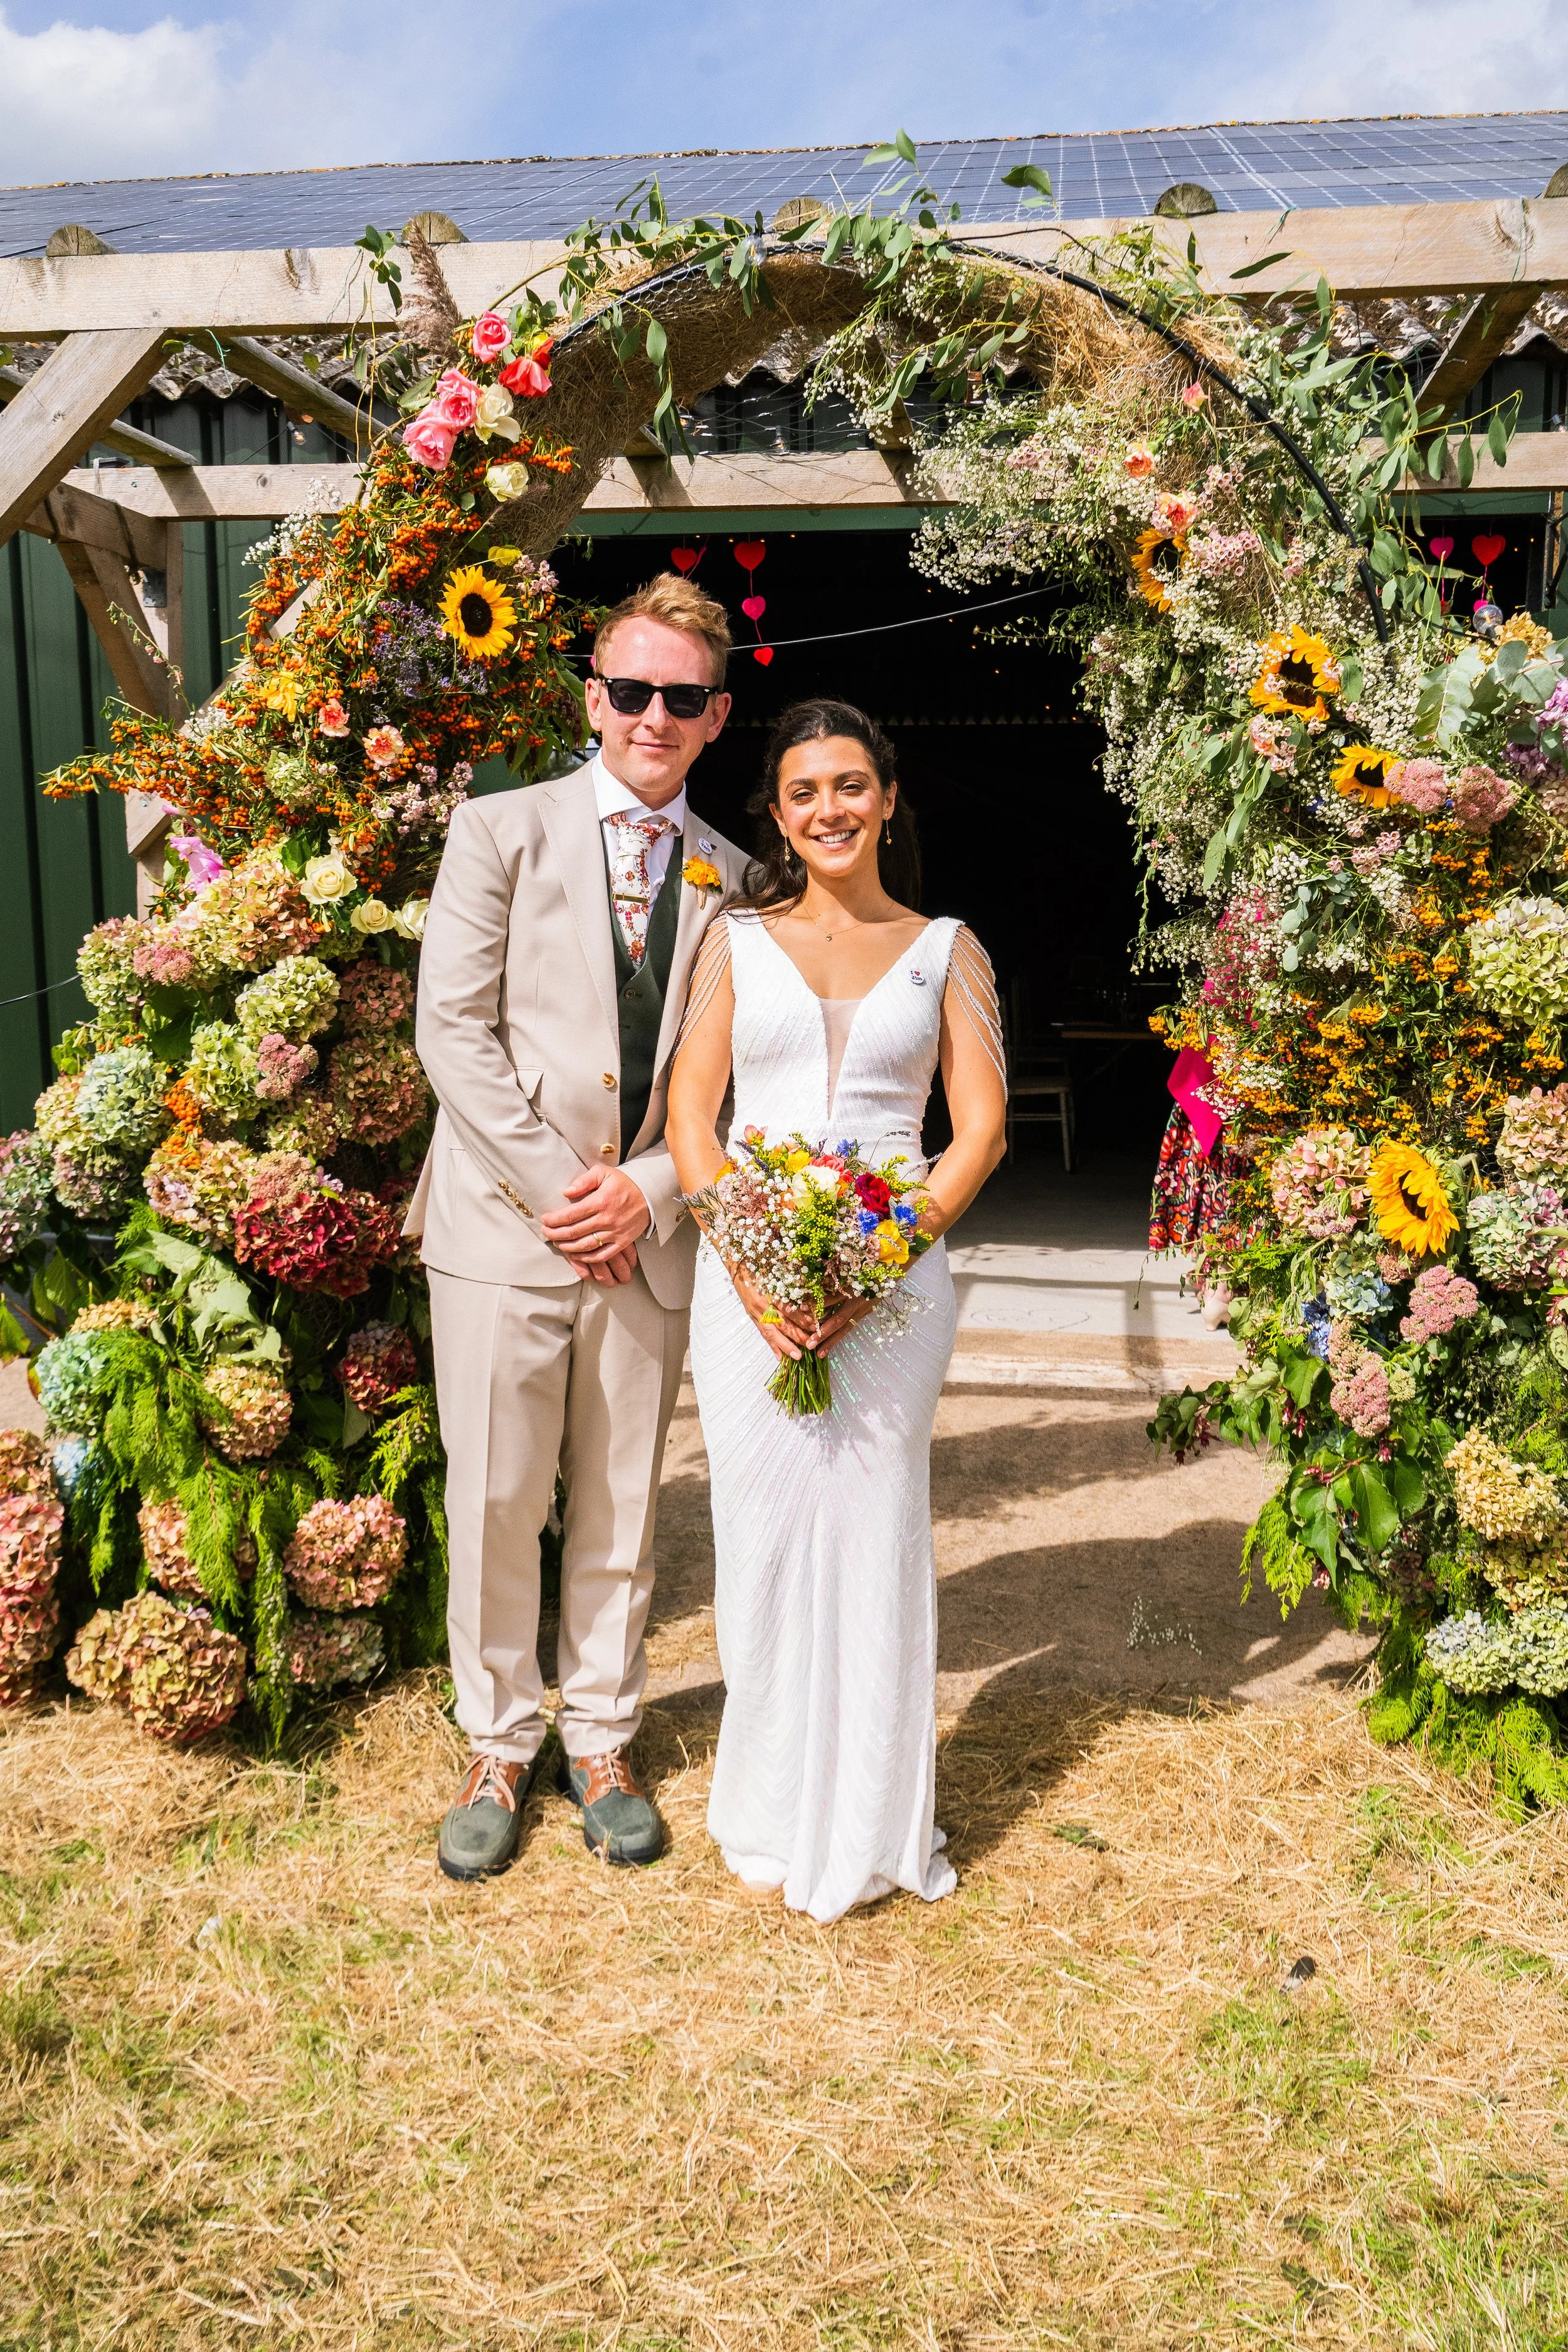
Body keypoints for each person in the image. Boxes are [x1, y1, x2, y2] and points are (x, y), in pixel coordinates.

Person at [408, 573, 750, 1881]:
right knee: (496, 1497)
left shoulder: (735, 872)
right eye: (629, 691)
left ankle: (602, 1737)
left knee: (620, 1504)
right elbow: (453, 1028)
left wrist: (652, 1190)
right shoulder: (498, 831)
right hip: (504, 1231)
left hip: (645, 1239)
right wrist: (569, 1189)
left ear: (715, 716)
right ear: (588, 695)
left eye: (680, 697)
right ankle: (498, 1743)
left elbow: (733, 1080)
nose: (650, 717)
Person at [665, 699, 1008, 1922]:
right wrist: (755, 1264)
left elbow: (976, 1134)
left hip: (893, 1289)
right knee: (755, 1543)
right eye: (805, 790)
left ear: (887, 796)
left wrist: (873, 1262)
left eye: (850, 785)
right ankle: (762, 1807)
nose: (829, 809)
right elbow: (694, 1124)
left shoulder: (945, 950)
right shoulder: (730, 940)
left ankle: (868, 1820)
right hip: (742, 1278)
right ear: (775, 809)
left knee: (870, 1537)